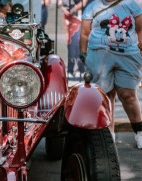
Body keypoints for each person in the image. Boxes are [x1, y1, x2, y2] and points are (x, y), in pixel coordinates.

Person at [79, 0, 142, 148]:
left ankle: (139, 132)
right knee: (106, 96)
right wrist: (83, 53)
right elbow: (84, 33)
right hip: (99, 55)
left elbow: (140, 28)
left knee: (128, 94)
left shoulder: (130, 4)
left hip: (128, 55)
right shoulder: (93, 6)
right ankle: (109, 136)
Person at [60, 0, 87, 78]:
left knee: (79, 44)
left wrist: (73, 9)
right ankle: (70, 70)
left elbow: (84, 2)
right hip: (67, 18)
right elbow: (60, 4)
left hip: (79, 17)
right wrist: (64, 9)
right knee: (70, 44)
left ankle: (81, 69)